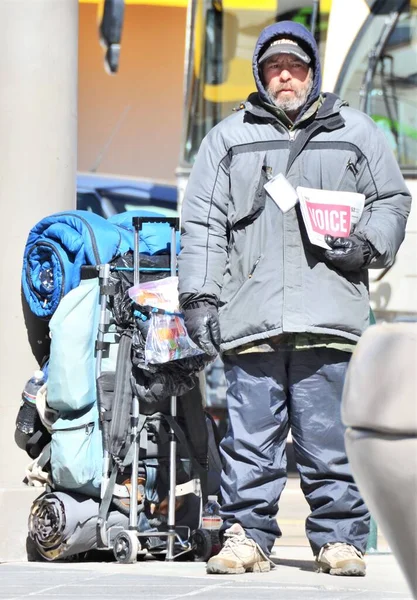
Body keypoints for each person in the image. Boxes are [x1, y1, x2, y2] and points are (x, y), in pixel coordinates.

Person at [178, 20, 411, 576]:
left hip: (329, 316)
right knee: (250, 440)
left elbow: (393, 202)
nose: (286, 75)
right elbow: (204, 224)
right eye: (274, 67)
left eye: (296, 66)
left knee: (328, 439)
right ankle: (246, 536)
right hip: (252, 316)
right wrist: (199, 297)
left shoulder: (355, 131)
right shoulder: (228, 139)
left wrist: (365, 245)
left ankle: (340, 539)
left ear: (311, 73)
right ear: (260, 74)